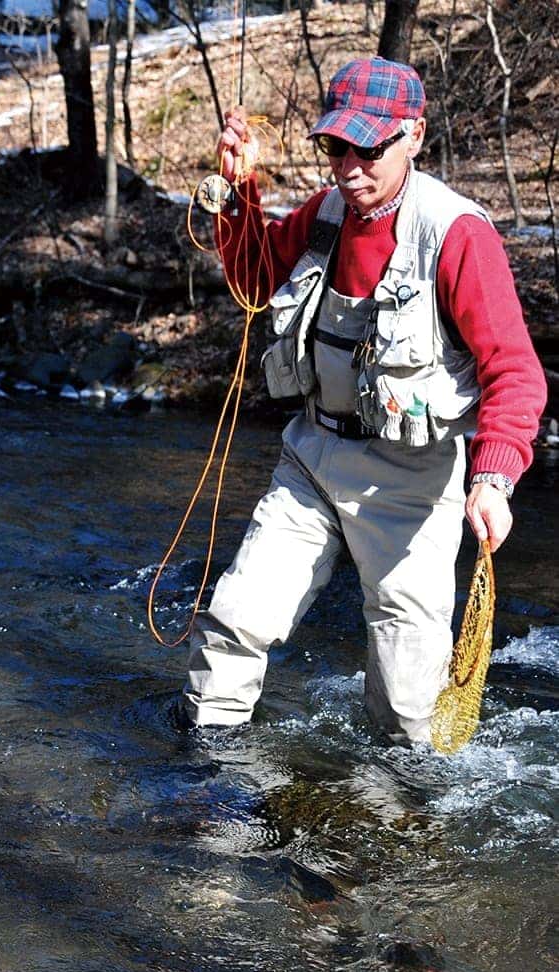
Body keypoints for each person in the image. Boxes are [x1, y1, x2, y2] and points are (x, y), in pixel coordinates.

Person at [180, 56, 547, 744]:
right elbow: (255, 278)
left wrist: (494, 478)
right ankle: (203, 788)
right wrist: (237, 191)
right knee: (233, 620)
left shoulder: (456, 232)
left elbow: (515, 370)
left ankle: (400, 826)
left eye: (367, 147)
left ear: (413, 134)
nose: (348, 166)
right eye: (335, 146)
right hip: (311, 460)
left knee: (407, 710)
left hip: (411, 481)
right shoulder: (324, 214)